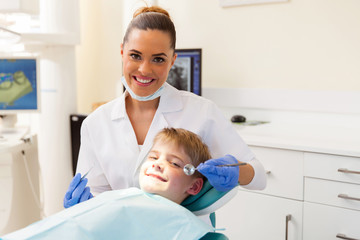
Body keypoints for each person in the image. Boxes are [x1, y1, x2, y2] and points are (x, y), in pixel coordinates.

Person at [64, 5, 266, 208]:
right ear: (122, 52)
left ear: (172, 61)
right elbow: (97, 192)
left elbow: (259, 177)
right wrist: (83, 206)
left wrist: (238, 172)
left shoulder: (202, 112)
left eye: (158, 59)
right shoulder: (96, 123)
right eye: (135, 55)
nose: (144, 69)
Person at [2, 128, 224, 240]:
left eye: (174, 163)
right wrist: (87, 209)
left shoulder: (184, 224)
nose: (158, 165)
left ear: (194, 187)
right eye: (154, 157)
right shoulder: (122, 199)